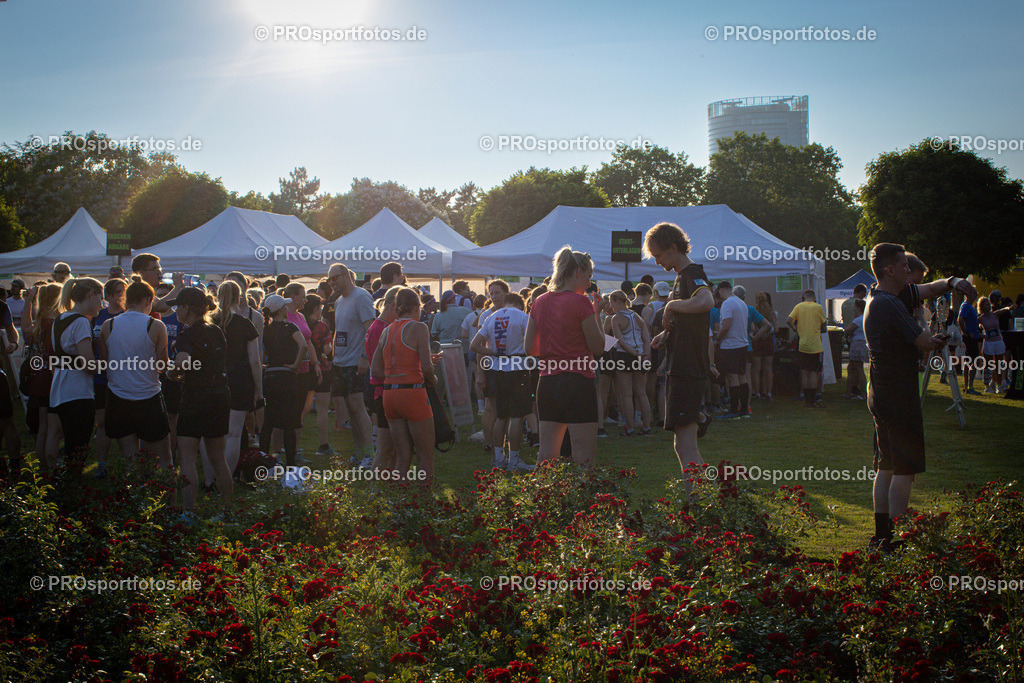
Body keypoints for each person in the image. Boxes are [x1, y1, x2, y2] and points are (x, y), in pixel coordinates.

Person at [863, 243, 968, 552]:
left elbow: (930, 288)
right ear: (889, 270)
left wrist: (952, 282)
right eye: (904, 266)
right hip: (897, 393)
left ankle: (882, 536)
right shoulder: (891, 304)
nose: (909, 271)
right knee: (904, 469)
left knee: (886, 465)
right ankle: (895, 537)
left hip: (881, 391)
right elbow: (924, 342)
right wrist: (937, 337)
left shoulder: (881, 297)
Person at [645, 223, 715, 487]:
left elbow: (706, 301)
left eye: (658, 255)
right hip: (680, 365)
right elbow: (690, 319)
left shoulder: (692, 273)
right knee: (682, 444)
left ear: (673, 247)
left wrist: (671, 305)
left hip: (688, 367)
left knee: (685, 445)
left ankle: (698, 500)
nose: (657, 261)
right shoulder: (680, 277)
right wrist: (666, 335)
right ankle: (700, 497)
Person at [525, 248, 605, 469]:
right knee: (583, 458)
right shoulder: (581, 302)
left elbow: (529, 348)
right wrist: (597, 314)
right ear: (578, 272)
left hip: (548, 382)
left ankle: (542, 492)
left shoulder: (539, 301)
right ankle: (581, 493)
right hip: (578, 381)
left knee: (547, 455)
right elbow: (598, 347)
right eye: (588, 276)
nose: (589, 283)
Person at [169, 286, 234, 522]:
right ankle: (227, 511)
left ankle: (188, 513)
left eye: (178, 306)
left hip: (196, 398)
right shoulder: (217, 331)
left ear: (187, 308)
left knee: (187, 458)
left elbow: (183, 361)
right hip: (219, 395)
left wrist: (173, 373)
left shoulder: (186, 336)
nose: (175, 310)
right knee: (218, 458)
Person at [98, 280, 172, 476]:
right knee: (164, 459)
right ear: (148, 300)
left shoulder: (108, 325)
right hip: (148, 396)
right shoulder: (156, 325)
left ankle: (135, 493)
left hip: (118, 397)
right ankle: (168, 495)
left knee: (131, 460)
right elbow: (162, 366)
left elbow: (105, 363)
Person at [370, 287, 437, 483]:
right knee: (425, 456)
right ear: (417, 308)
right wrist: (434, 379)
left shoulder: (386, 330)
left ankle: (398, 498)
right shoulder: (419, 327)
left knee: (402, 456)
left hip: (390, 395)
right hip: (412, 393)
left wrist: (395, 374)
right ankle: (424, 498)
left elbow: (375, 370)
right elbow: (427, 366)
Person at [471, 292, 535, 471]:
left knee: (500, 417)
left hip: (497, 370)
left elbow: (474, 345)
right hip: (518, 368)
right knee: (517, 417)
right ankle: (514, 459)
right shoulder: (523, 317)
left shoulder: (491, 317)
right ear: (520, 305)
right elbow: (532, 345)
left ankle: (499, 459)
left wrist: (493, 352)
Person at [51, 277, 104, 479]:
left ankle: (61, 481)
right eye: (100, 298)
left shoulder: (59, 319)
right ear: (91, 295)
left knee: (70, 443)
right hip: (77, 391)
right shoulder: (81, 322)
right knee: (78, 447)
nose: (102, 304)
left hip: (60, 388)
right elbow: (88, 363)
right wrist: (109, 365)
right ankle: (70, 487)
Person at [211, 280, 262, 478]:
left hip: (213, 378)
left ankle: (210, 479)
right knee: (233, 434)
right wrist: (259, 389)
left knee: (213, 434)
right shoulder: (244, 323)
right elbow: (255, 361)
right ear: (239, 297)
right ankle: (226, 478)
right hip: (239, 379)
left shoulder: (209, 321)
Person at [328, 263, 375, 467]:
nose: (332, 283)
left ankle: (370, 455)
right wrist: (333, 355)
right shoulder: (339, 301)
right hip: (340, 362)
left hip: (355, 362)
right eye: (329, 280)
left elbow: (370, 329)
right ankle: (359, 452)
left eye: (334, 278)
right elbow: (339, 331)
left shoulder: (361, 296)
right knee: (350, 410)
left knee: (358, 407)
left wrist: (365, 357)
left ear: (346, 276)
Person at [259, 294, 307, 469]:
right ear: (281, 310)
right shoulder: (290, 327)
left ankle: (263, 460)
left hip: (270, 376)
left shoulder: (266, 329)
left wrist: (265, 366)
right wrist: (296, 365)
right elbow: (303, 345)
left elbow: (261, 355)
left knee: (269, 421)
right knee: (289, 422)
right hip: (286, 376)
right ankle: (291, 464)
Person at [91, 278, 126, 478]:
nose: (122, 295)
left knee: (125, 422)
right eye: (119, 291)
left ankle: (128, 465)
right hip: (101, 376)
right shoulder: (99, 315)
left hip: (123, 375)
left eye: (124, 291)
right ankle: (102, 464)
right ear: (109, 295)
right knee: (102, 421)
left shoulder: (127, 315)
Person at [606, 290, 652, 436]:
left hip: (625, 356)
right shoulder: (637, 316)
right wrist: (644, 354)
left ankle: (630, 428)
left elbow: (620, 340)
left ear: (618, 301)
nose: (611, 306)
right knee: (641, 393)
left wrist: (635, 354)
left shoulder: (616, 318)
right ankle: (646, 427)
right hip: (639, 355)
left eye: (611, 302)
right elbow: (646, 338)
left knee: (626, 395)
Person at [366, 287, 399, 469]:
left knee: (393, 448)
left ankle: (387, 482)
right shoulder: (381, 328)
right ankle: (375, 483)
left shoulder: (381, 326)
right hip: (383, 390)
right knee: (385, 448)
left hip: (385, 390)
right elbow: (378, 368)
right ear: (394, 305)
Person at [787, 290, 827, 408]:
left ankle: (806, 399)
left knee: (804, 372)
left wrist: (795, 330)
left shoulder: (798, 307)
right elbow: (824, 324)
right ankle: (812, 399)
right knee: (814, 373)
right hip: (815, 346)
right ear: (814, 298)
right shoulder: (818, 307)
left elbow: (788, 320)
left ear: (804, 297)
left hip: (803, 345)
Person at [0, 294, 20, 478]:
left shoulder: (1, 306)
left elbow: (11, 329)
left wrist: (13, 343)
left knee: (6, 420)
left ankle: (14, 466)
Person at [978, 297, 1013, 393]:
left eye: (989, 304)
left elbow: (1003, 310)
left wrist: (1009, 308)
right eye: (986, 304)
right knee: (989, 364)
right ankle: (987, 385)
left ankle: (999, 385)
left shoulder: (994, 314)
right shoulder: (981, 318)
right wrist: (982, 335)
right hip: (988, 342)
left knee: (998, 364)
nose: (988, 306)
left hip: (998, 341)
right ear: (982, 306)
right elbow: (972, 327)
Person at [752, 291, 777, 400]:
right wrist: (767, 334)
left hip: (757, 341)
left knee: (756, 369)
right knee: (768, 368)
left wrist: (758, 335)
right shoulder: (772, 312)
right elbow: (776, 329)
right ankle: (768, 392)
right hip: (768, 341)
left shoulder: (754, 312)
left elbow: (753, 328)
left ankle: (757, 392)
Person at [844, 298, 868, 399]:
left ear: (858, 308)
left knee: (858, 369)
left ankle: (863, 393)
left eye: (854, 306)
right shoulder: (864, 318)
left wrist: (848, 335)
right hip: (861, 344)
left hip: (857, 344)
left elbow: (848, 329)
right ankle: (851, 391)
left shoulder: (858, 320)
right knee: (851, 368)